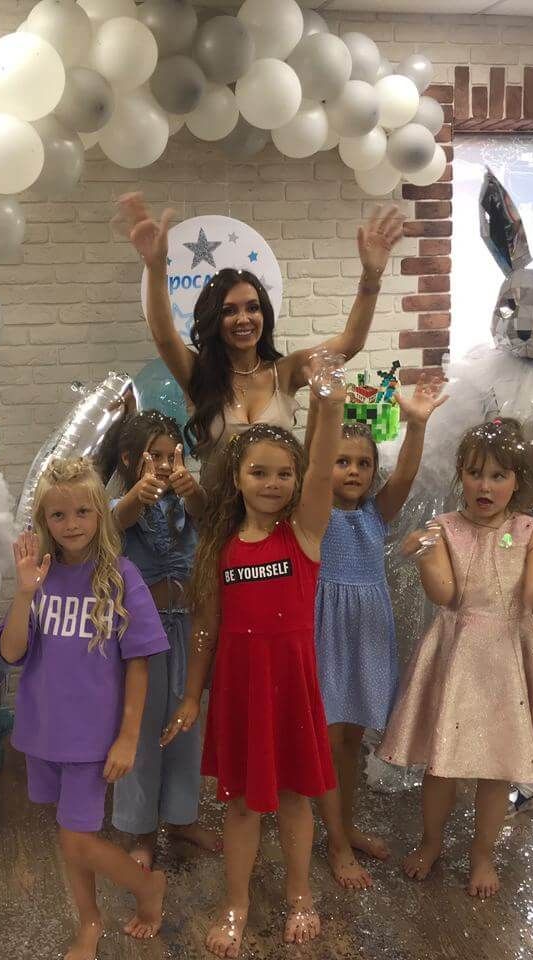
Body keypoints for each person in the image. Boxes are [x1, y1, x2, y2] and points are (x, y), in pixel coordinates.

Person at [162, 354, 346, 957]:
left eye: (284, 474)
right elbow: (206, 628)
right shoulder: (219, 546)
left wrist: (328, 403)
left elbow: (323, 467)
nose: (273, 483)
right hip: (241, 688)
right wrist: (192, 695)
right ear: (236, 478)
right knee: (240, 806)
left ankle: (300, 894)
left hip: (290, 685)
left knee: (293, 798)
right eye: (259, 473)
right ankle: (235, 903)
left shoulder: (305, 533)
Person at [379, 418, 533, 899]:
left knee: (497, 769)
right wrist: (424, 557)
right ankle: (431, 841)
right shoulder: (444, 529)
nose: (485, 485)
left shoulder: (529, 532)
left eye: (499, 476)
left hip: (509, 659)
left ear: (517, 481)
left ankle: (482, 853)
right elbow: (446, 595)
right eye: (475, 473)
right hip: (456, 655)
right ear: (461, 474)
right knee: (441, 766)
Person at [0, 457, 169, 960]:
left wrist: (129, 736)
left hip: (93, 739)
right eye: (58, 515)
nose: (71, 524)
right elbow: (10, 652)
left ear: (99, 513)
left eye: (82, 512)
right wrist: (24, 594)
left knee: (75, 840)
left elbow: (139, 663)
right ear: (43, 521)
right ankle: (90, 920)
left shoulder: (121, 576)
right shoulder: (39, 577)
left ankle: (146, 886)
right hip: (44, 731)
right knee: (71, 833)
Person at [113, 193, 405, 484]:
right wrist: (156, 268)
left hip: (280, 509)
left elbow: (351, 341)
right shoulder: (200, 374)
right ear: (214, 320)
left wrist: (371, 278)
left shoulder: (285, 372)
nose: (244, 319)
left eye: (253, 308)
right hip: (215, 513)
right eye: (229, 311)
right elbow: (164, 337)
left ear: (264, 314)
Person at [310, 375, 447, 890]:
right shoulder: (314, 513)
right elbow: (314, 461)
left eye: (363, 463)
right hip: (326, 633)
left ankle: (343, 826)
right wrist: (323, 411)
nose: (353, 471)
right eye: (342, 461)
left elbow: (405, 477)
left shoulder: (374, 513)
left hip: (367, 631)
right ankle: (336, 842)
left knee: (352, 739)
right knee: (328, 739)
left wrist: (417, 425)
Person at [108, 411, 221, 867]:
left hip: (187, 625)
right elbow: (115, 521)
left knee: (186, 726)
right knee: (141, 729)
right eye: (153, 456)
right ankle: (140, 829)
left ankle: (181, 817)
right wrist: (138, 494)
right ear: (129, 459)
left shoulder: (186, 500)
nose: (163, 465)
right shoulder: (122, 502)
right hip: (142, 635)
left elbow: (207, 515)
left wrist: (192, 490)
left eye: (171, 456)